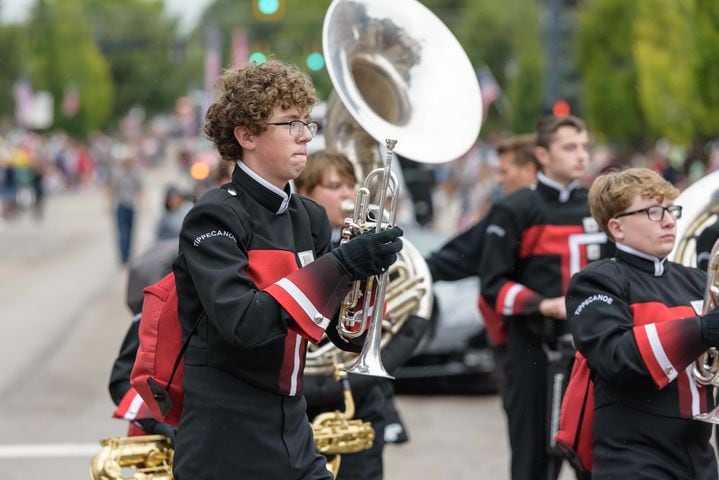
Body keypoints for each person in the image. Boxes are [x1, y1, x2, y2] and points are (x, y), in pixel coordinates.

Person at [171, 60, 403, 479]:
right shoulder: (213, 218)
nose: (304, 135)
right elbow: (242, 322)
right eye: (289, 123)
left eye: (306, 122)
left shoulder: (309, 218)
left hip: (293, 428)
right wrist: (341, 265)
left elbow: (339, 333)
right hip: (224, 439)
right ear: (246, 135)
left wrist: (367, 281)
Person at [565, 167, 719, 479]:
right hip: (633, 457)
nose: (668, 220)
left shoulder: (696, 280)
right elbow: (614, 355)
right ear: (616, 227)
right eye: (652, 211)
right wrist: (703, 330)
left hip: (699, 455)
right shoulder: (597, 281)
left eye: (670, 209)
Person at [477, 115, 608, 480]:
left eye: (584, 147)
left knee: (596, 461)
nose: (581, 156)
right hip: (534, 350)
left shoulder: (600, 206)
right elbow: (492, 284)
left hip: (591, 352)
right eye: (570, 147)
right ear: (542, 155)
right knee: (533, 462)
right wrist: (541, 304)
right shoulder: (517, 208)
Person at [295, 149, 420, 480]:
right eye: (335, 186)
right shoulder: (295, 244)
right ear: (306, 193)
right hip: (304, 399)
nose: (347, 195)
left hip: (360, 397)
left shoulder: (371, 245)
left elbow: (402, 309)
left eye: (350, 186)